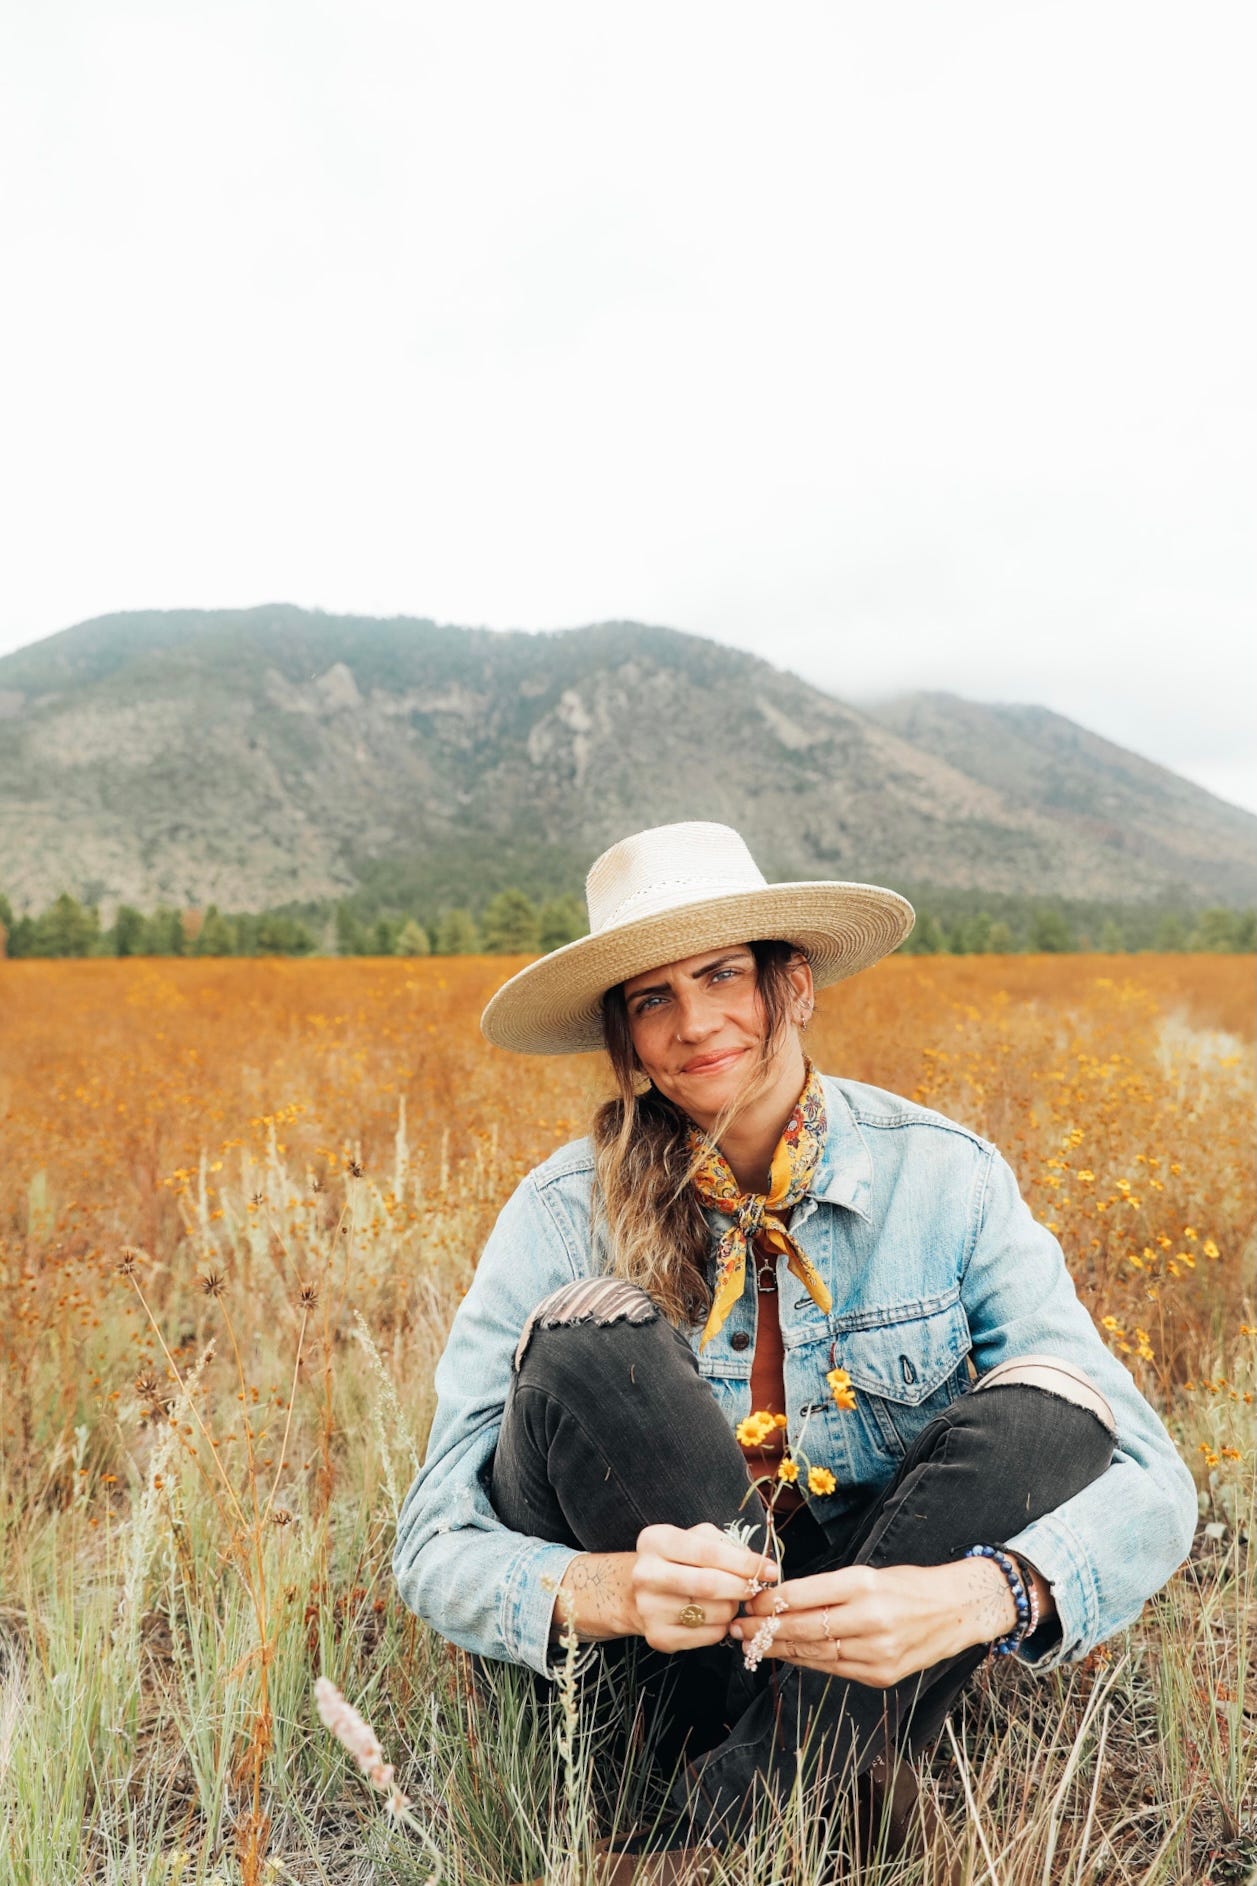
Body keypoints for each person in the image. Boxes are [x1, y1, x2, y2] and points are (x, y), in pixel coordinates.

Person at [393, 822, 1197, 1874]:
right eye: (651, 998)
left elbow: (1153, 1479)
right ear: (626, 1038)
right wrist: (610, 1588)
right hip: (651, 1678)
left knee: (1055, 1404)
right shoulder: (558, 1209)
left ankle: (709, 1826)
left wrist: (973, 1594)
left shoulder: (947, 1178)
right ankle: (824, 1781)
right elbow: (431, 1541)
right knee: (596, 1340)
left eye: (722, 973)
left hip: (858, 1651)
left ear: (794, 983)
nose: (694, 1023)